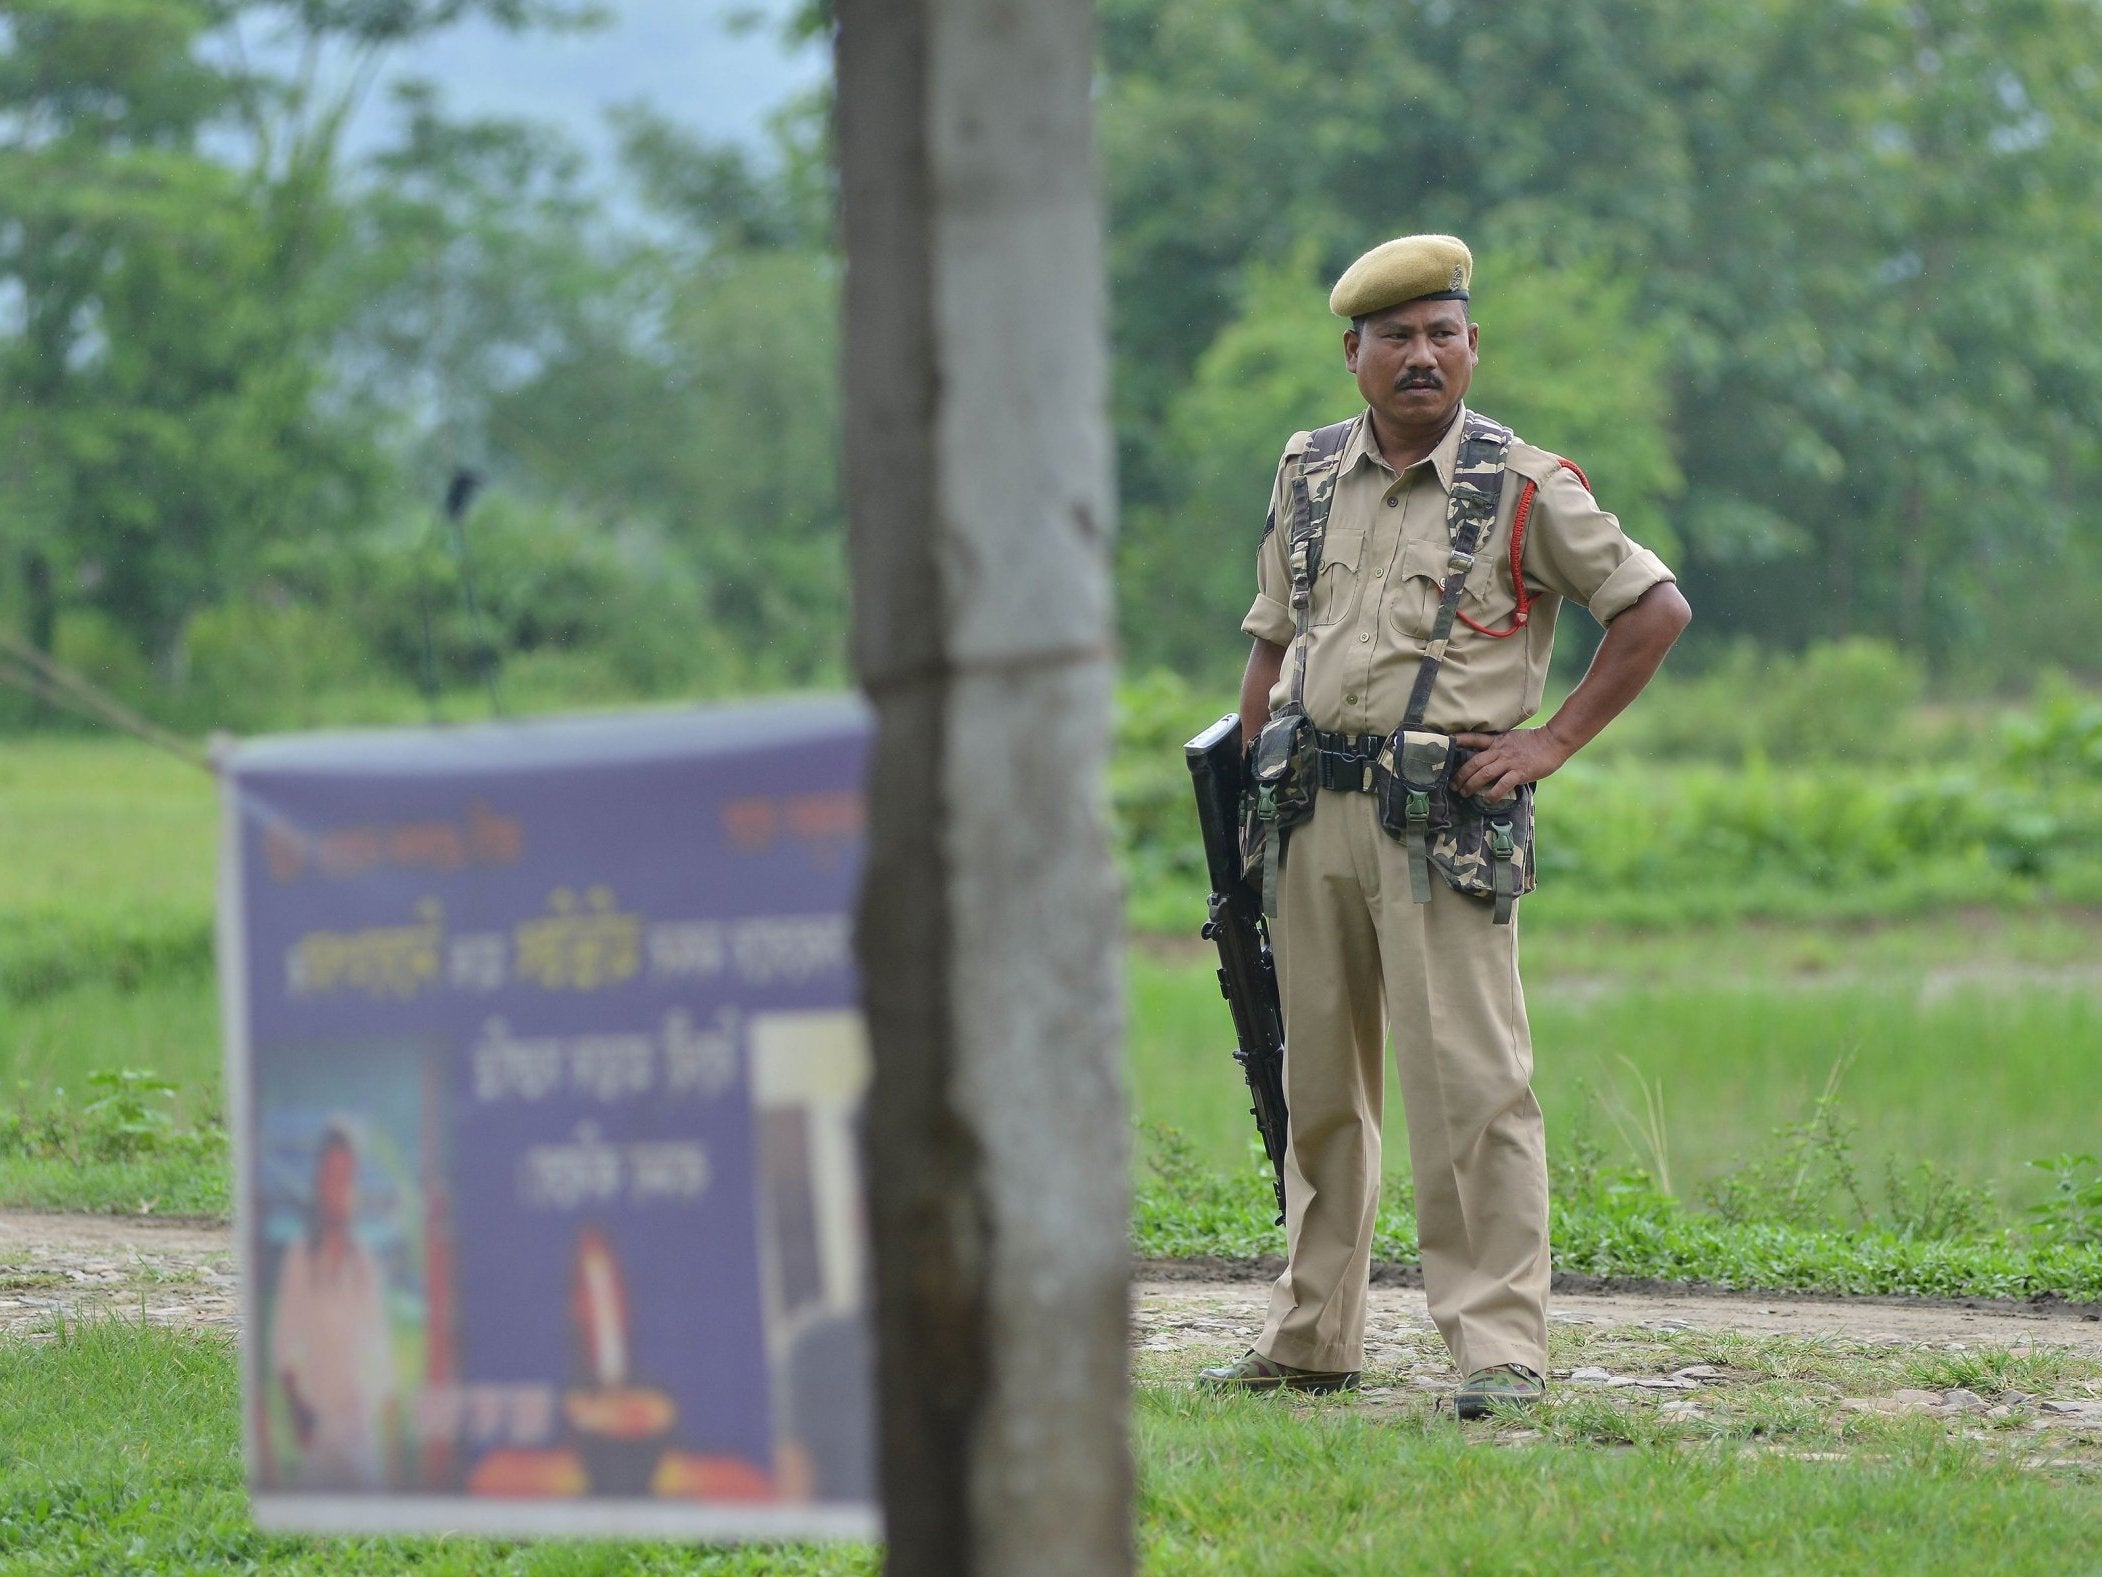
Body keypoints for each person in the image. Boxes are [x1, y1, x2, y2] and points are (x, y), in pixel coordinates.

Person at [1198, 235, 1691, 1417]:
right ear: (1352, 354)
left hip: (1441, 819)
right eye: (1395, 337)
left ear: (1472, 346)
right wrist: (1250, 772)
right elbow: (1273, 629)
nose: (1420, 356)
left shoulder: (1521, 483)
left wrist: (1547, 743)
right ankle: (1310, 1334)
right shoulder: (1307, 470)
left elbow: (1650, 608)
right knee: (1315, 1082)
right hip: (1309, 810)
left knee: (1469, 1086)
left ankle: (1496, 1352)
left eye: (1441, 333)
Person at [268, 1120, 397, 1486]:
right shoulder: (301, 1257)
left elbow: (381, 1351)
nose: (337, 1190)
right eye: (329, 1178)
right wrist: (298, 1412)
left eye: (346, 1179)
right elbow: (284, 1345)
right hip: (319, 1425)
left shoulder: (364, 1261)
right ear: (318, 1184)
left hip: (361, 1428)